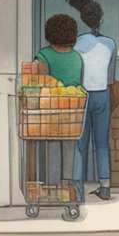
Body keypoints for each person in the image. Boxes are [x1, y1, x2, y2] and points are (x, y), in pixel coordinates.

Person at [67, 0, 115, 201]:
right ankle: (105, 186)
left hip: (82, 95)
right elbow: (111, 77)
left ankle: (77, 188)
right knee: (102, 143)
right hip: (103, 94)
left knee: (80, 143)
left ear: (82, 19)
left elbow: (75, 71)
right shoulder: (110, 44)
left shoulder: (76, 44)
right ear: (101, 19)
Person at [34, 13, 83, 187]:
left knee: (51, 145)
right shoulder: (77, 57)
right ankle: (67, 184)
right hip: (73, 108)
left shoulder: (43, 56)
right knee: (69, 144)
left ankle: (52, 185)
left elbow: (39, 82)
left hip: (51, 108)